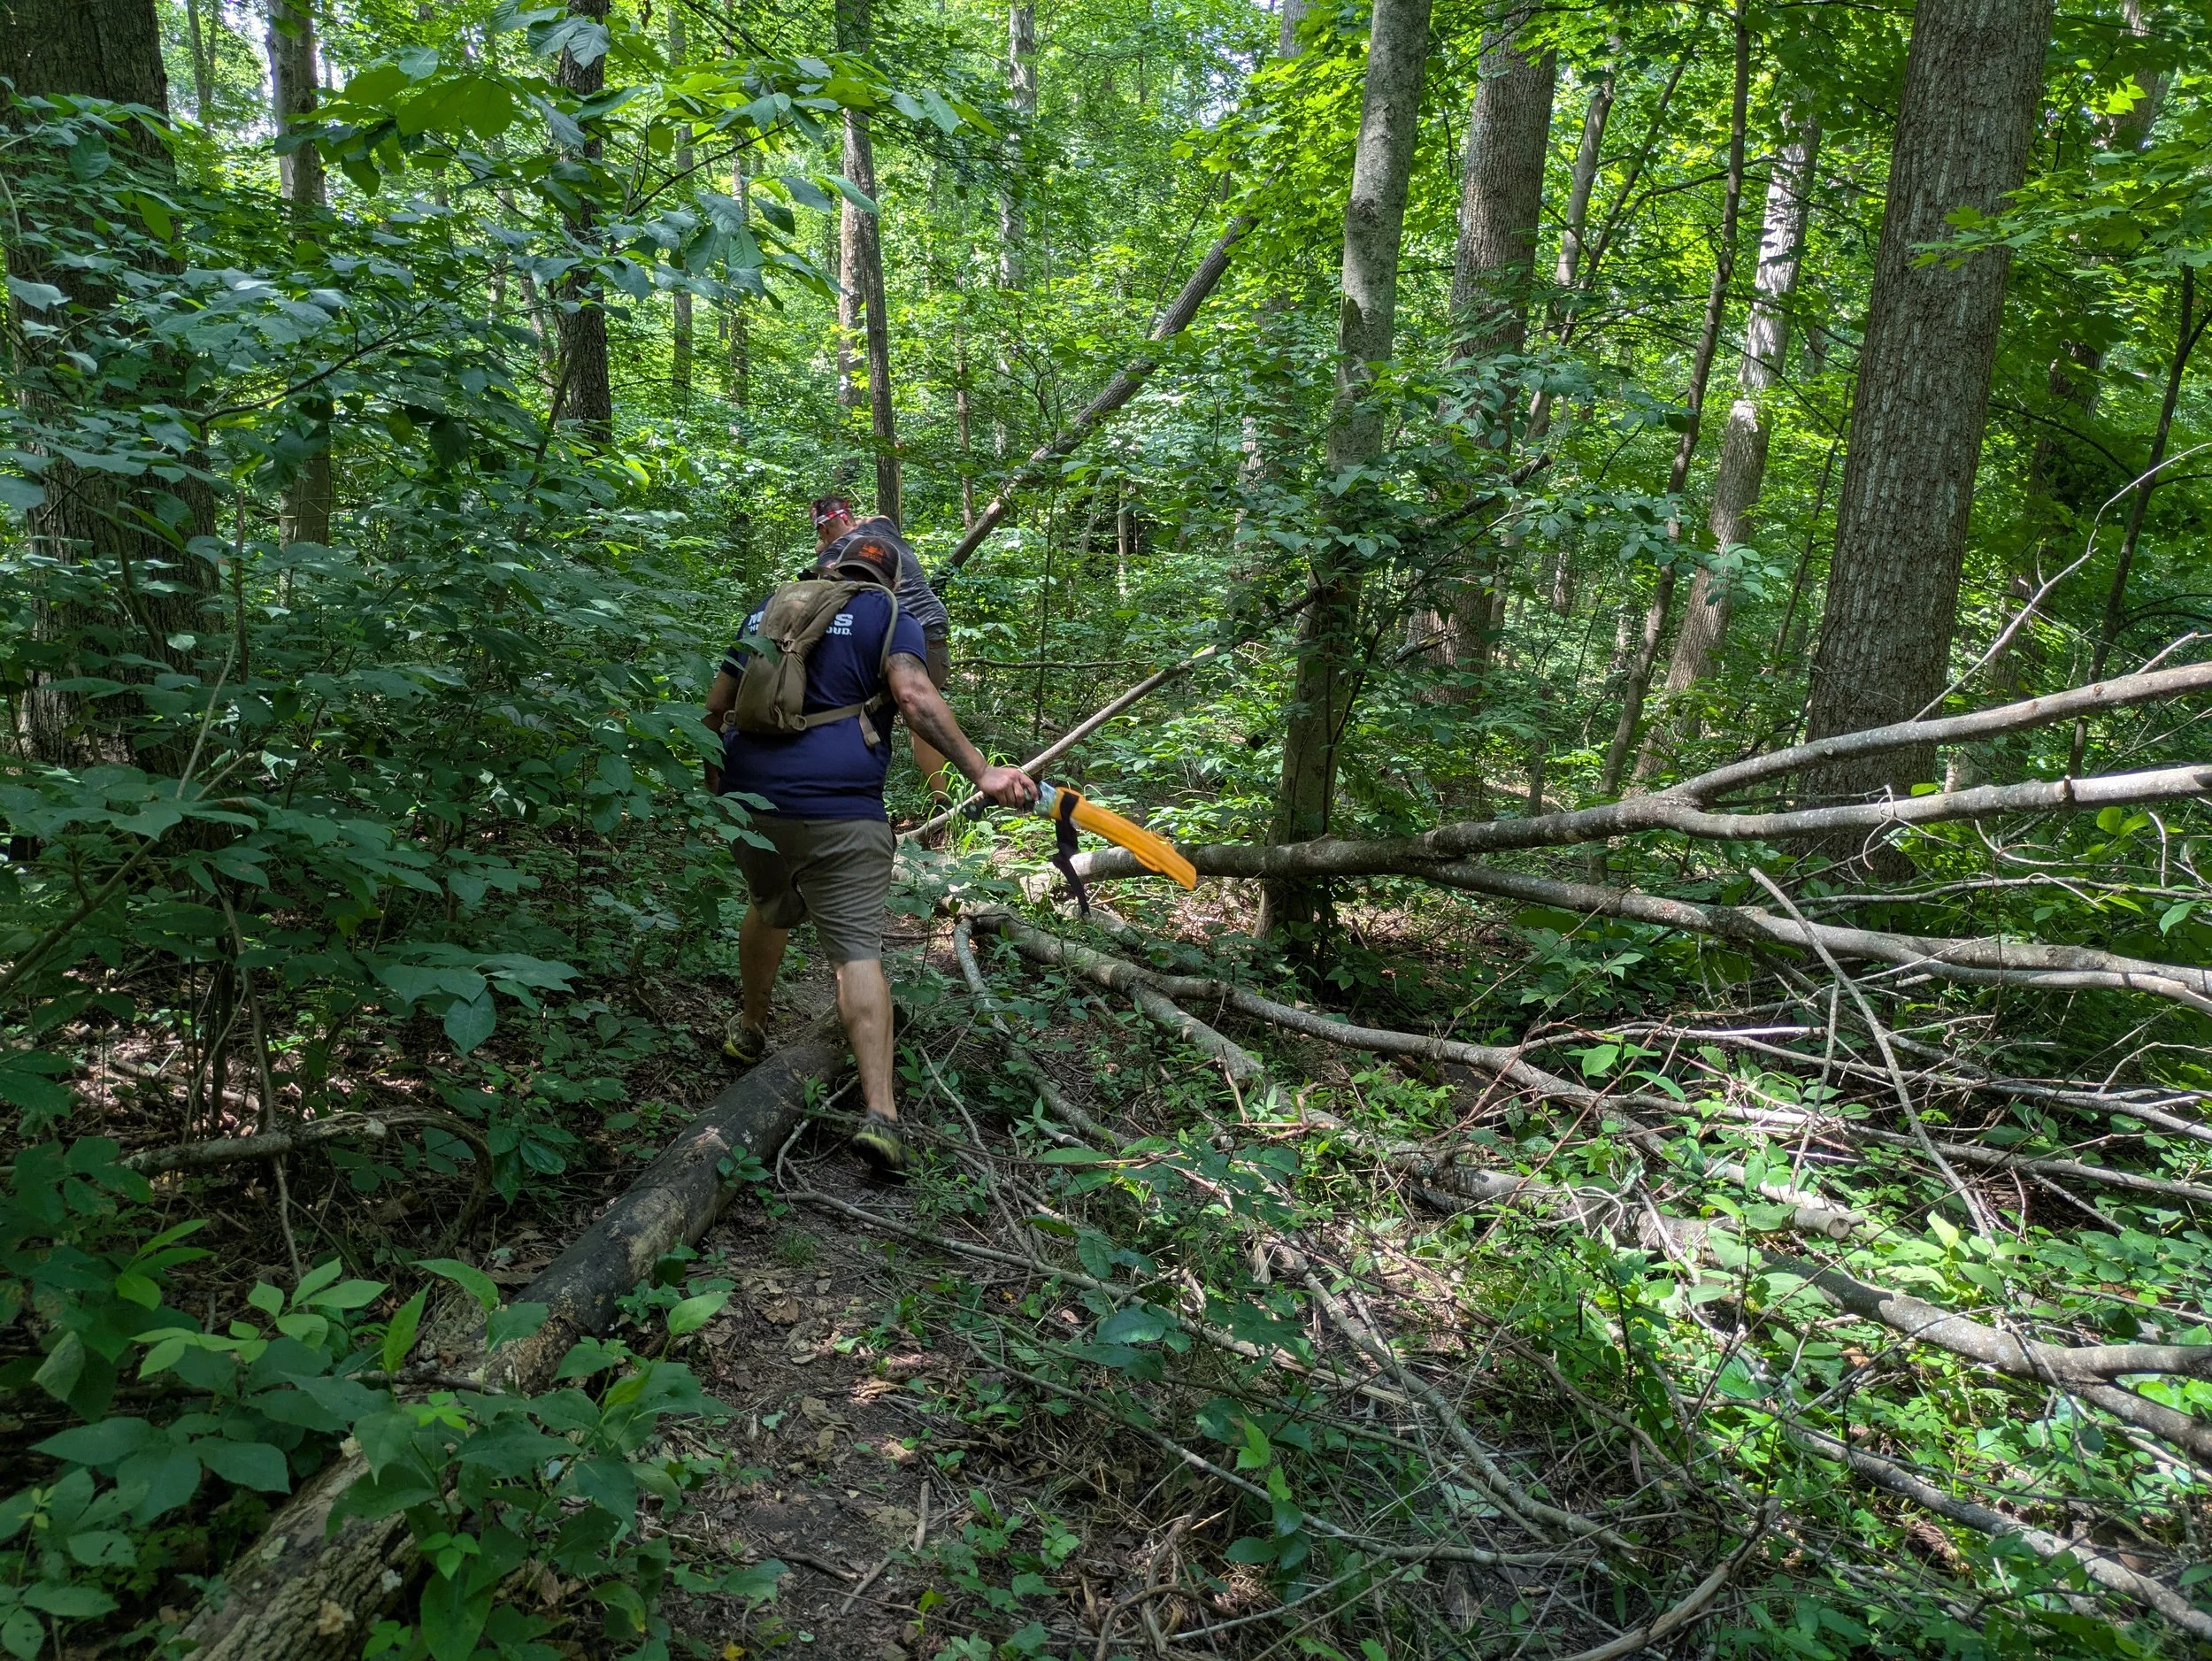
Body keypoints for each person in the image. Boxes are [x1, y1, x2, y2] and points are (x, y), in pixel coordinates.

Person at [703, 530, 1035, 1173]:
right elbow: (913, 698)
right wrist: (982, 772)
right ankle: (881, 1115)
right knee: (857, 951)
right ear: (890, 578)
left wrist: (721, 789)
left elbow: (715, 710)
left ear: (828, 566)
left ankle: (749, 1029)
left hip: (752, 805)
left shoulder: (768, 609)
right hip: (840, 810)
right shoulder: (890, 614)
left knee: (769, 906)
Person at [810, 496, 957, 806]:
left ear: (824, 529)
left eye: (821, 532)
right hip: (934, 632)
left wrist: (824, 551)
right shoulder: (882, 528)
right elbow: (881, 518)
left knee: (888, 713)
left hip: (903, 636)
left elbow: (815, 593)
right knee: (921, 718)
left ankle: (939, 803)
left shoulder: (835, 554)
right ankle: (947, 802)